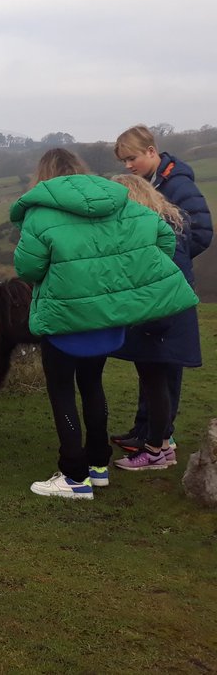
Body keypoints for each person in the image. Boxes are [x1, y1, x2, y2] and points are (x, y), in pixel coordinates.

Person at [10, 149, 198, 500]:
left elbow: (28, 269)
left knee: (63, 391)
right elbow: (164, 238)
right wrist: (122, 279)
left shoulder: (40, 212)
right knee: (93, 384)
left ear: (43, 177)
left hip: (63, 319)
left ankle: (74, 475)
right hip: (106, 321)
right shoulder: (119, 201)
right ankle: (98, 467)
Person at [110, 125, 212, 455]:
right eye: (124, 160)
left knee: (166, 369)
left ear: (152, 151)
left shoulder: (178, 183)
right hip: (156, 287)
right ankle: (144, 429)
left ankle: (161, 436)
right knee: (150, 363)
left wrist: (166, 263)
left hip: (168, 288)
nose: (128, 165)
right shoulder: (155, 182)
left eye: (132, 158)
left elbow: (200, 232)